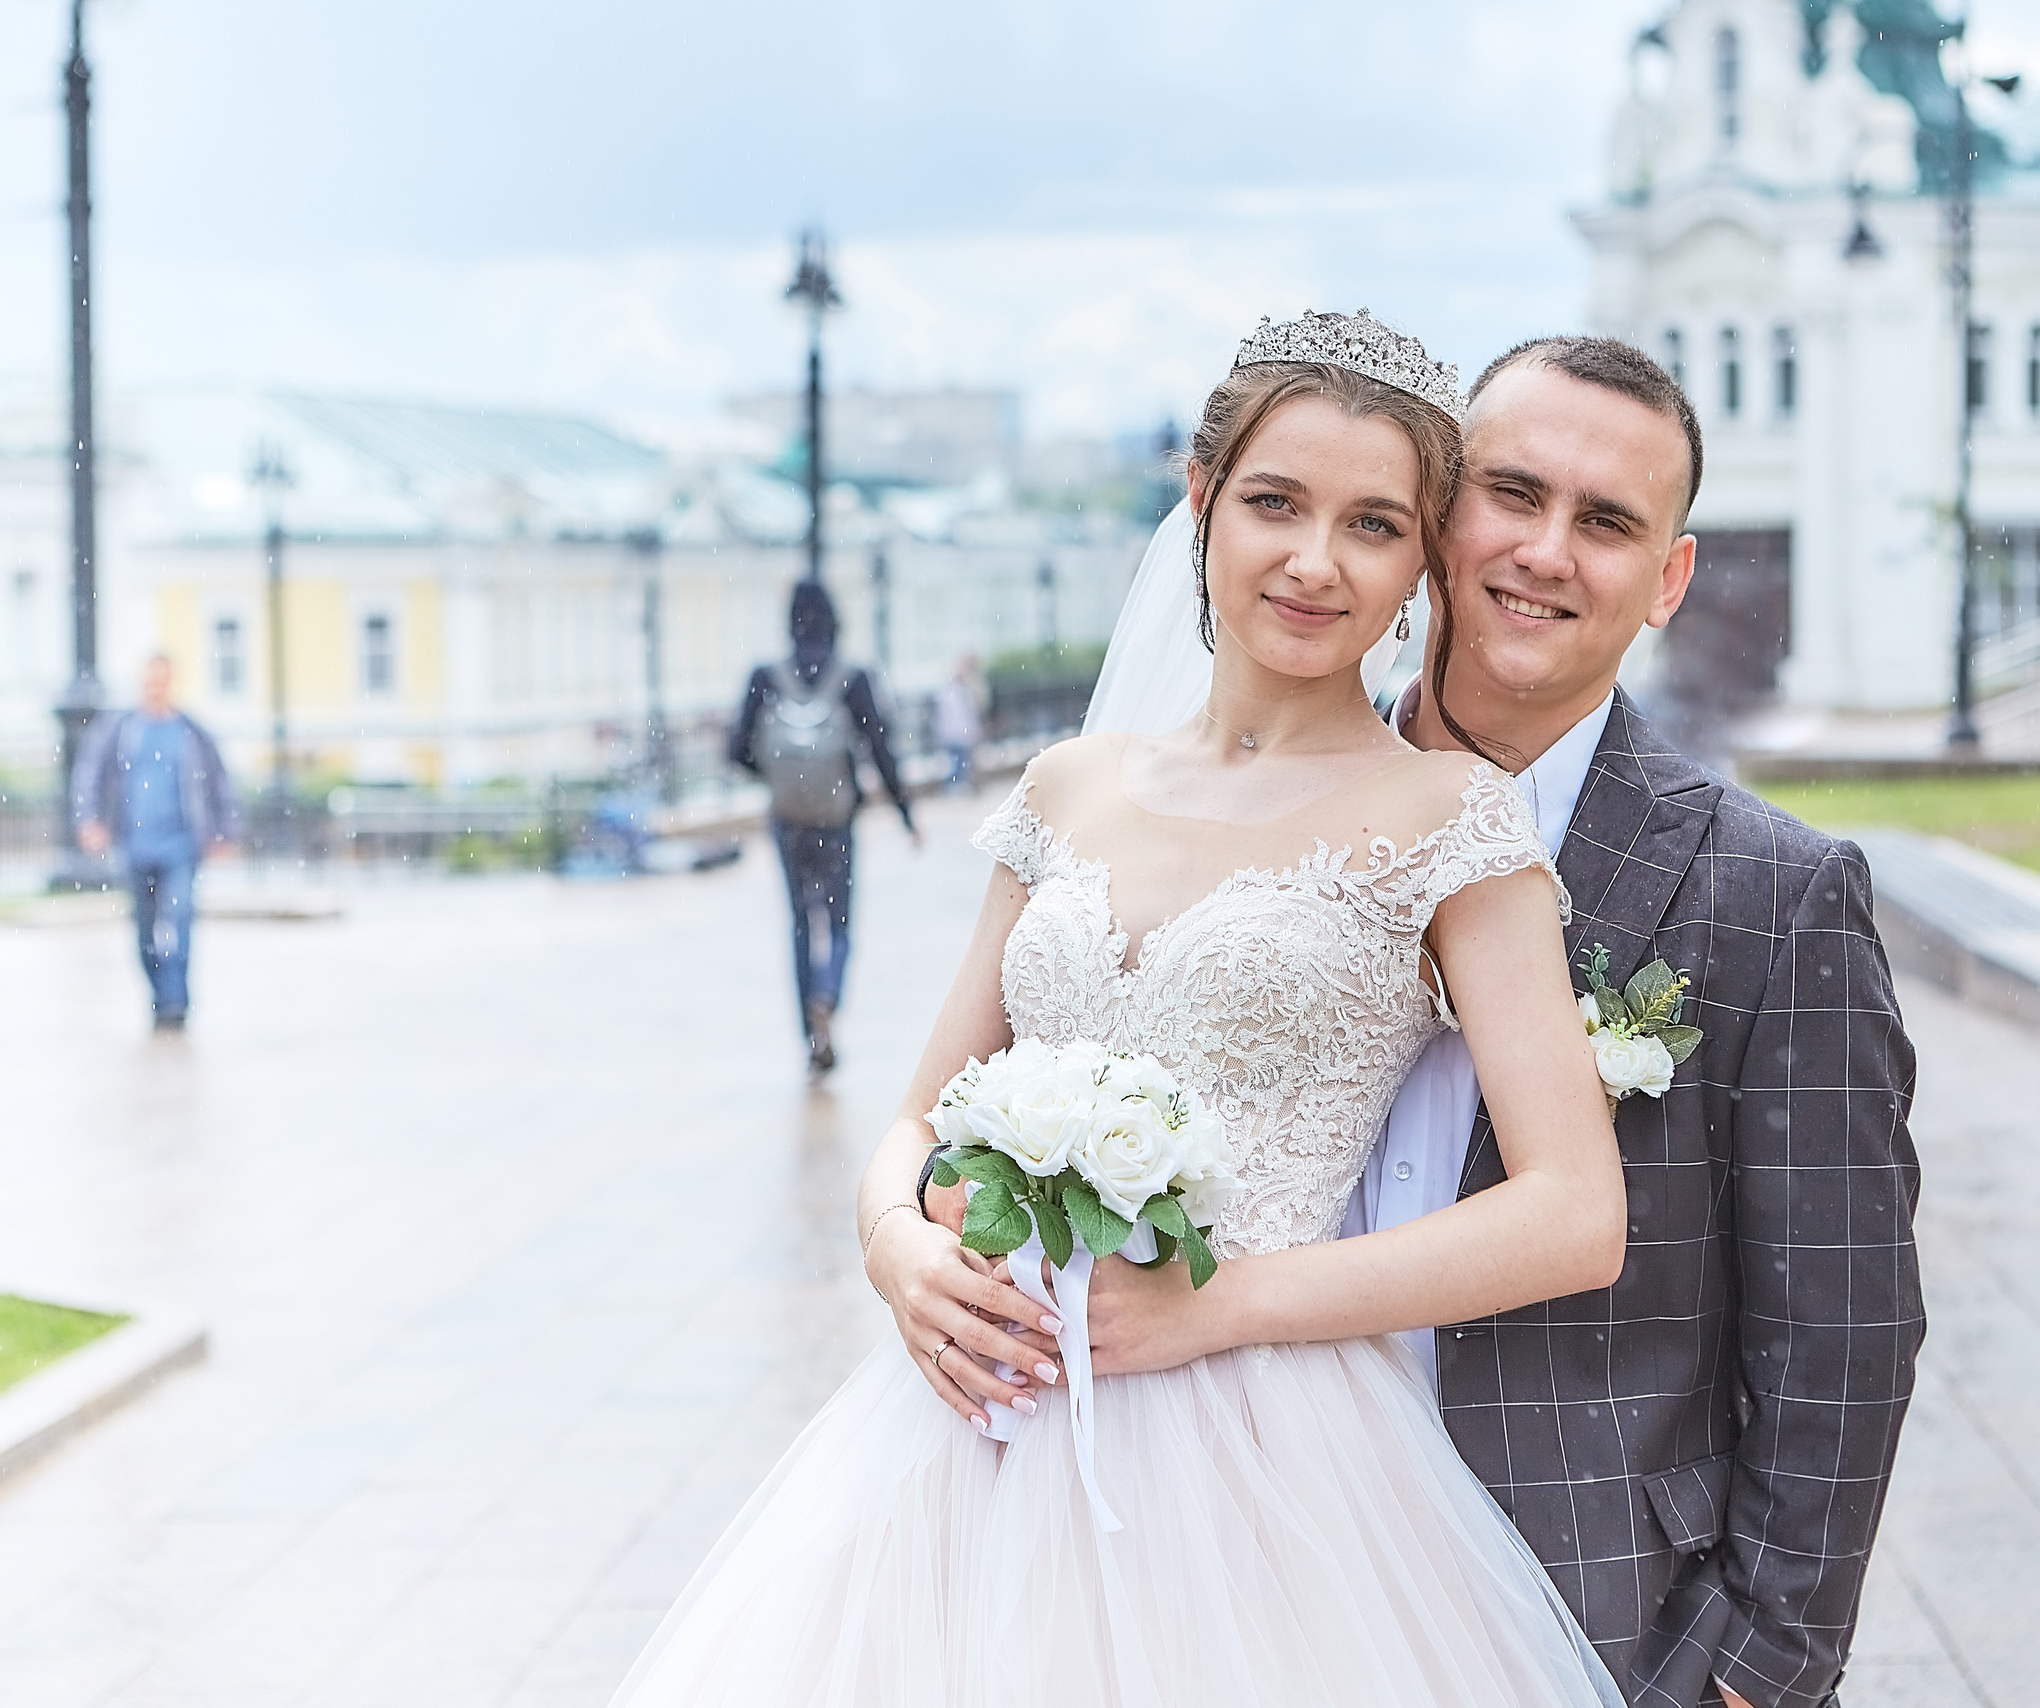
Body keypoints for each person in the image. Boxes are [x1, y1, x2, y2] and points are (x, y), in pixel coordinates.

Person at [613, 312, 1631, 1706]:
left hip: (1272, 1452)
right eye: (1275, 503)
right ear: (1203, 503)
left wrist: (1221, 1311)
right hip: (979, 1420)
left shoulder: (1452, 824)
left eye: (1373, 524)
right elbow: (919, 1111)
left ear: (1419, 565)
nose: (1315, 562)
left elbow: (1576, 1211)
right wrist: (896, 1251)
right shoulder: (1069, 788)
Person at [1074, 337, 1925, 1708]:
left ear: (1669, 580)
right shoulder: (1241, 817)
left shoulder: (1777, 898)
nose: (1543, 550)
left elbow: (1844, 1332)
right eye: (1512, 494)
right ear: (1439, 515)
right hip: (1235, 1553)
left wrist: (1760, 1668)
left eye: (1606, 523)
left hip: (1590, 1616)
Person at [730, 581, 920, 1075]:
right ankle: (828, 997)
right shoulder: (852, 677)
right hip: (835, 821)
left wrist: (775, 774)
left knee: (798, 921)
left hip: (788, 819)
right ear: (835, 621)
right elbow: (881, 751)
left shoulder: (765, 677)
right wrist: (905, 816)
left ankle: (809, 1034)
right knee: (837, 922)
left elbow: (736, 750)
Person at [71, 653, 241, 1031]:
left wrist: (225, 831)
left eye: (161, 680)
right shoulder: (122, 730)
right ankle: (158, 993)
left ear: (171, 683)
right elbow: (90, 773)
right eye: (149, 680)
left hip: (181, 845)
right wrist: (90, 821)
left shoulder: (191, 733)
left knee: (180, 919)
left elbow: (219, 781)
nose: (155, 687)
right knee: (144, 930)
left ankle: (176, 1000)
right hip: (134, 845)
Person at [931, 653, 985, 791]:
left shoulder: (964, 688)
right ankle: (954, 787)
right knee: (957, 763)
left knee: (961, 762)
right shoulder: (951, 690)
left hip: (961, 732)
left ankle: (957, 787)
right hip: (955, 732)